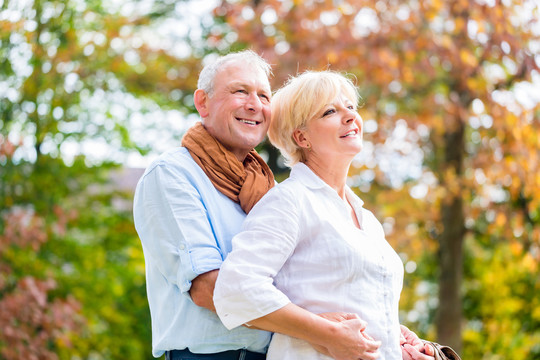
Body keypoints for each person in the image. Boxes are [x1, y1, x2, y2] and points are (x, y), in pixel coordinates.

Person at [213, 70, 436, 360]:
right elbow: (235, 290)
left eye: (351, 107)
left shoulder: (367, 220)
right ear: (301, 137)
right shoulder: (289, 201)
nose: (349, 116)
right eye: (330, 111)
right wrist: (325, 333)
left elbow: (354, 308)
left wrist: (400, 343)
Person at [133, 50, 276, 359]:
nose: (255, 105)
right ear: (203, 102)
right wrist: (321, 328)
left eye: (264, 96)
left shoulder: (268, 189)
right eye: (240, 91)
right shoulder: (173, 173)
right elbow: (209, 289)